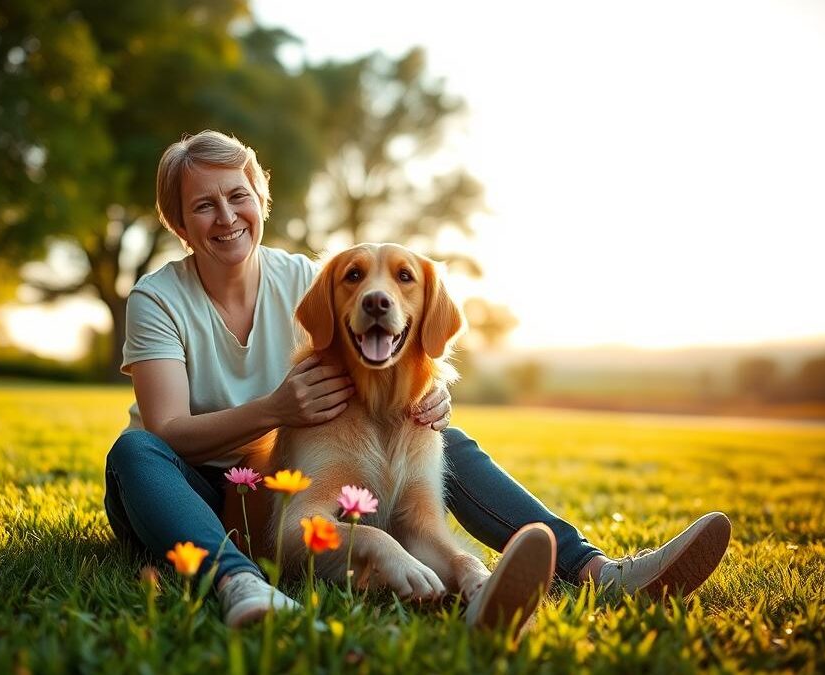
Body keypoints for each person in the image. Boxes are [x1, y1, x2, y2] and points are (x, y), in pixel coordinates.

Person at [104, 130, 731, 629]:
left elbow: (395, 332)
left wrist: (429, 389)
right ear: (180, 224)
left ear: (259, 203)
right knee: (135, 448)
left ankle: (589, 570)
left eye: (238, 196)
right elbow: (168, 430)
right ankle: (240, 584)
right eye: (203, 205)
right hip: (186, 485)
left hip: (291, 474)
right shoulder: (159, 298)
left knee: (440, 440)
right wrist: (276, 409)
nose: (226, 216)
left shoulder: (310, 279)